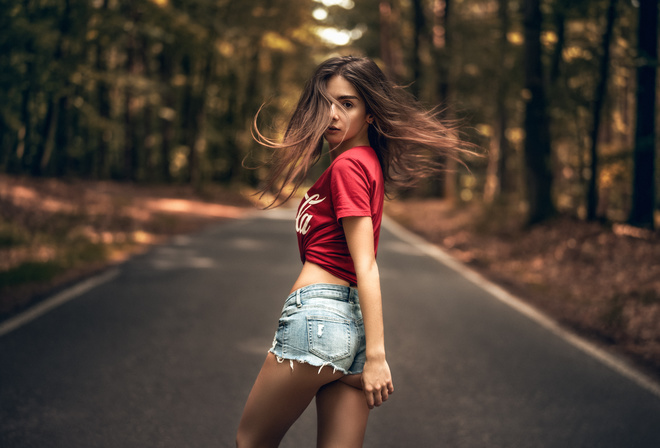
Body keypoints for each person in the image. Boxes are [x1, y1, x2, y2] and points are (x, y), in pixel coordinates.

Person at [236, 56, 470, 448]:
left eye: (347, 104)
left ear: (371, 114)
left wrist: (377, 357)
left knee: (250, 440)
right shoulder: (368, 164)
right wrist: (364, 350)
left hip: (316, 319)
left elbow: (366, 264)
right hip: (348, 330)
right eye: (326, 102)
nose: (332, 114)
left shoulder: (348, 167)